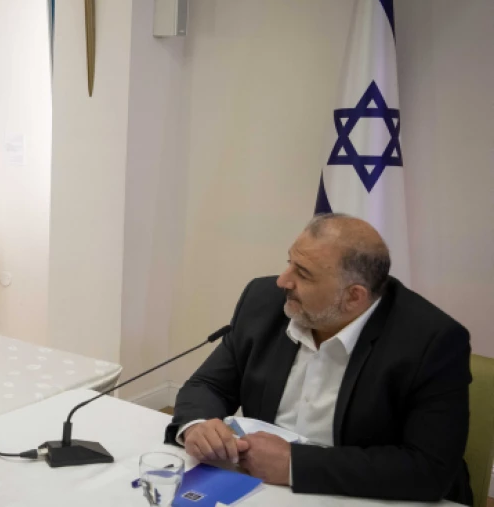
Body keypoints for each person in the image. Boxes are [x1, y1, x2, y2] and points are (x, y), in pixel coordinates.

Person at [166, 214, 472, 505]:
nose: (283, 281)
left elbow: (428, 467)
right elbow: (208, 385)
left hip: (363, 494)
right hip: (261, 488)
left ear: (354, 296)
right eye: (290, 262)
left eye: (303, 274)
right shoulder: (264, 301)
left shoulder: (431, 341)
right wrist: (198, 425)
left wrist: (294, 465)